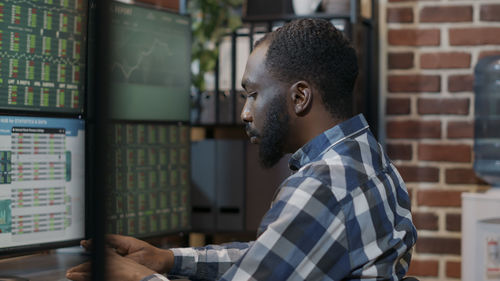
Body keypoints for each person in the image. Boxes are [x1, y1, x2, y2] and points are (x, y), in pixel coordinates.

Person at [67, 18, 417, 281]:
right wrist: (167, 260)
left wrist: (134, 276)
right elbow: (274, 254)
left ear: (299, 97)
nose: (244, 113)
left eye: (252, 95)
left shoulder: (323, 186)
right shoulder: (366, 157)